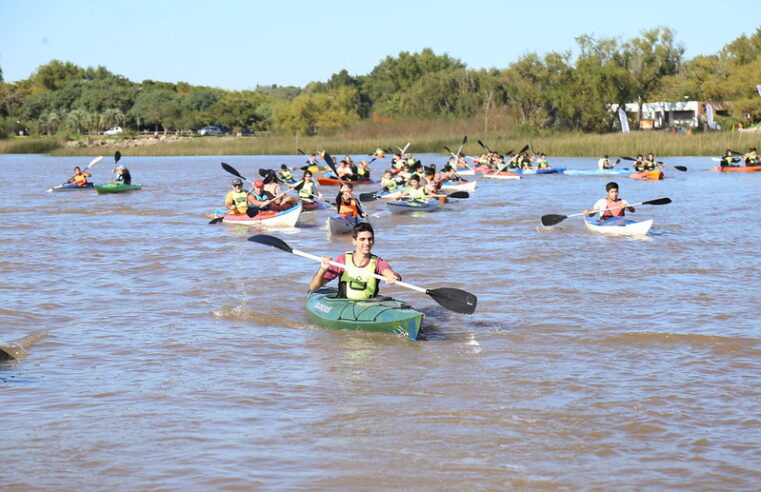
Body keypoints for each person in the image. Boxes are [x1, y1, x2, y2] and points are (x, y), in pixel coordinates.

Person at [309, 222, 401, 299]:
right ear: (354, 241)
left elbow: (390, 273)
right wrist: (323, 269)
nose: (367, 243)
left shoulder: (378, 262)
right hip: (344, 305)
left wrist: (394, 277)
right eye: (362, 239)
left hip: (368, 306)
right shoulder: (342, 260)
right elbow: (314, 287)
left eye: (370, 239)